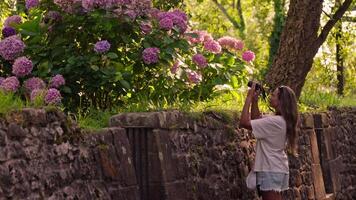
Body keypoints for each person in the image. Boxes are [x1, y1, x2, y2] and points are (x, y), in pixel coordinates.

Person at [239, 82, 299, 200]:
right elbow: (256, 120)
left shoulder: (276, 122)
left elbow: (244, 122)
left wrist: (248, 98)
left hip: (271, 169)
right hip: (275, 168)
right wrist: (255, 101)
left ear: (281, 102)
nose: (270, 97)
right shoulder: (279, 120)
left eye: (274, 95)